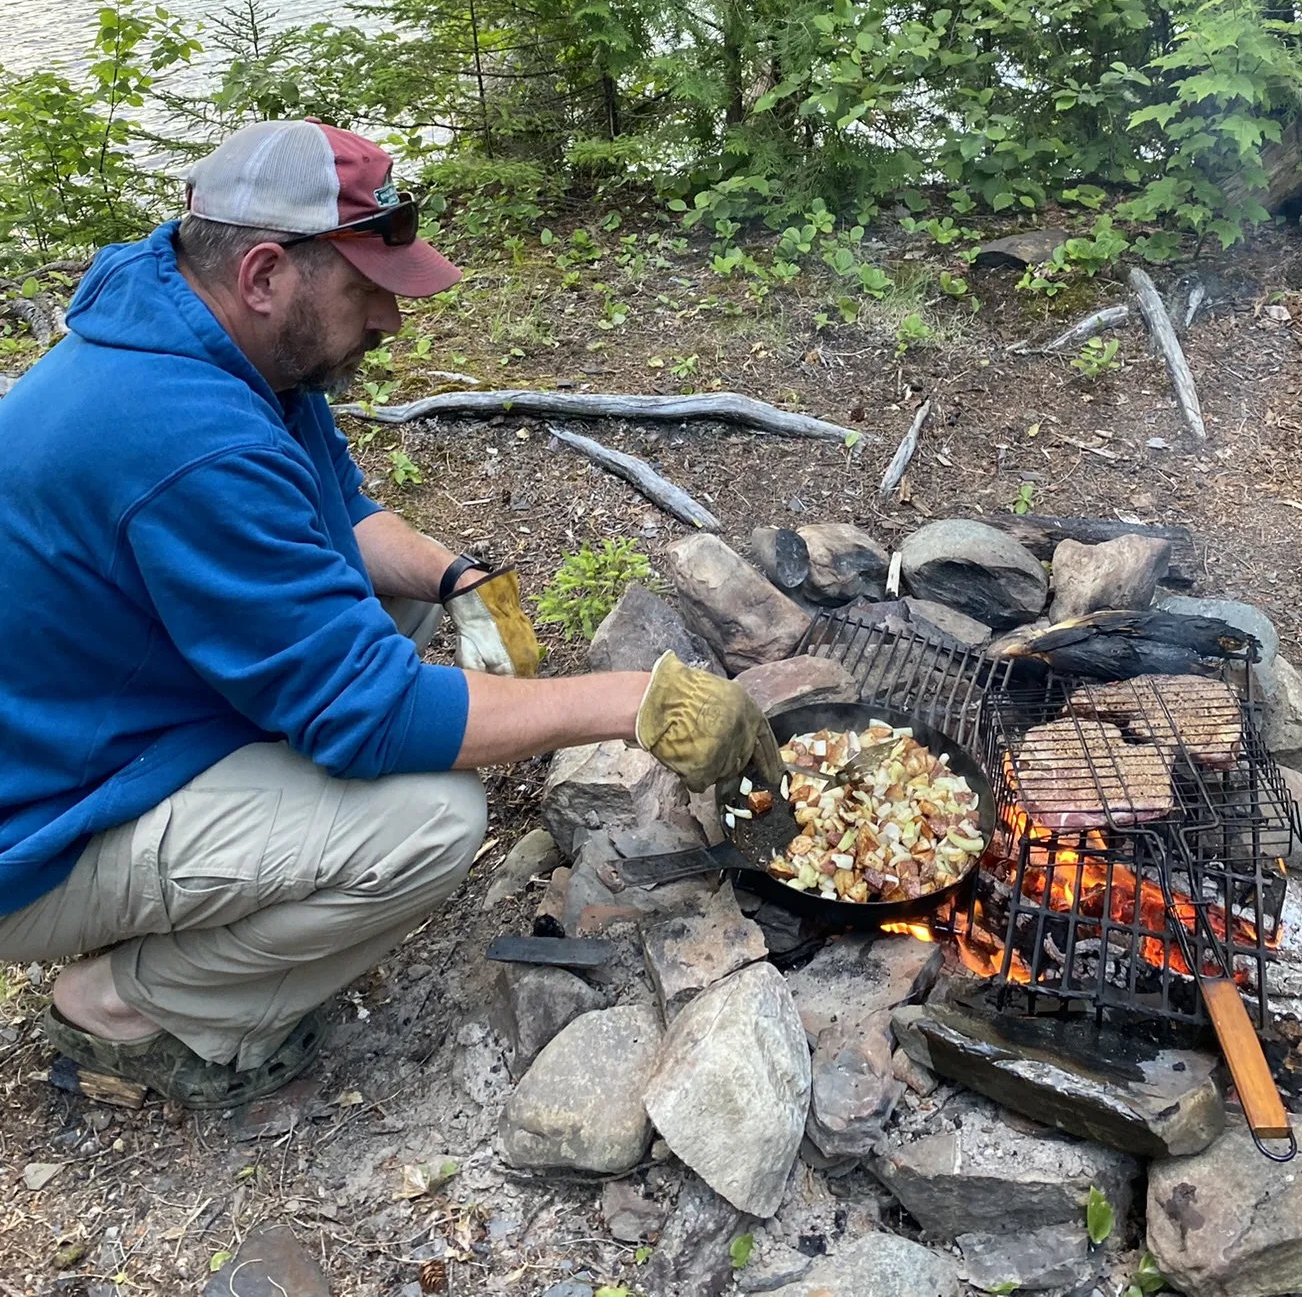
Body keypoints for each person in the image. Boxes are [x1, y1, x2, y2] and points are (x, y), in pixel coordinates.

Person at [0, 119, 776, 1108]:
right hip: (37, 825)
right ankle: (122, 1006)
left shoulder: (214, 336)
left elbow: (338, 515)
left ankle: (198, 894)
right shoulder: (185, 438)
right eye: (368, 288)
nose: (391, 321)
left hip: (95, 714)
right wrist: (638, 703)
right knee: (430, 820)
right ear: (266, 272)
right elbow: (374, 716)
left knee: (397, 600)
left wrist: (455, 577)